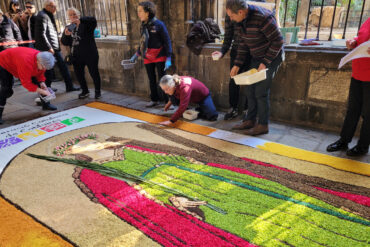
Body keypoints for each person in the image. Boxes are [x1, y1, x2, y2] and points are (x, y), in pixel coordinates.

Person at [227, 0, 283, 136]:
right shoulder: (240, 22)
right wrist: (237, 64)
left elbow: (278, 41)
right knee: (250, 90)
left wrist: (265, 62)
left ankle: (263, 125)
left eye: (231, 15)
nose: (230, 18)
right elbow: (243, 44)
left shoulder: (263, 17)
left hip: (271, 57)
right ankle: (249, 120)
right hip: (256, 57)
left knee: (261, 92)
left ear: (240, 12)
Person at [326, 17, 370, 156]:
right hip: (358, 72)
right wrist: (354, 41)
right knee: (352, 109)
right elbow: (362, 38)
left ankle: (362, 146)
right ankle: (344, 140)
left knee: (368, 114)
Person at [130, 1, 172, 107]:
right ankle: (154, 99)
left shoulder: (159, 24)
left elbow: (167, 41)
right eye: (137, 11)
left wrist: (169, 57)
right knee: (151, 79)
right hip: (147, 56)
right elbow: (142, 42)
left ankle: (169, 101)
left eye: (140, 11)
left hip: (159, 55)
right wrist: (137, 54)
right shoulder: (143, 25)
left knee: (163, 79)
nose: (138, 13)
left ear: (148, 12)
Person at [0, 47, 56, 124]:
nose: (44, 69)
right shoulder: (26, 62)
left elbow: (40, 73)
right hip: (3, 62)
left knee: (39, 83)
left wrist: (42, 82)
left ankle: (46, 104)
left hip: (18, 61)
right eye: (43, 67)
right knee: (6, 89)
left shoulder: (42, 59)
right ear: (38, 62)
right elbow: (26, 83)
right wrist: (42, 91)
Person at [34, 0, 79, 92]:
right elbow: (42, 34)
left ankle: (61, 87)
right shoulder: (43, 16)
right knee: (52, 69)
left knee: (56, 68)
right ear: (47, 6)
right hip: (49, 48)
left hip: (52, 47)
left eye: (55, 6)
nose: (55, 9)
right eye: (53, 6)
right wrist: (49, 47)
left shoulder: (47, 15)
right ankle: (47, 89)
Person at [61, 7, 101, 99]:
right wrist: (66, 35)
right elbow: (65, 42)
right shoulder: (69, 27)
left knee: (94, 73)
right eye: (70, 15)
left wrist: (80, 21)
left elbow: (93, 20)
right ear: (68, 17)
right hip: (76, 55)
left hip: (90, 54)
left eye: (74, 14)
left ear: (78, 15)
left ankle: (97, 91)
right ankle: (85, 91)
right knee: (79, 74)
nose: (73, 16)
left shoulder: (86, 24)